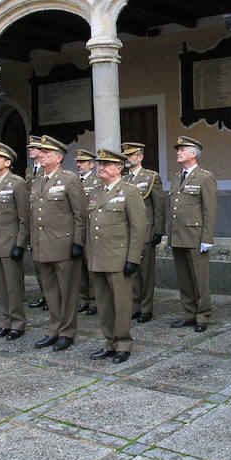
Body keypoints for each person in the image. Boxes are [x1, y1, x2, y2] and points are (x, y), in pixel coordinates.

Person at [86, 149, 144, 364]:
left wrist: (133, 258)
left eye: (107, 165)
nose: (102, 168)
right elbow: (89, 227)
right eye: (100, 164)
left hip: (119, 258)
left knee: (121, 303)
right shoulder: (96, 192)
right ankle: (109, 342)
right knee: (103, 303)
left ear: (119, 168)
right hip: (98, 257)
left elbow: (138, 228)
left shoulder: (129, 192)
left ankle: (123, 344)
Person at [30, 135, 88, 352]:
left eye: (46, 153)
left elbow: (80, 214)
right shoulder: (38, 181)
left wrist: (78, 242)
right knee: (50, 291)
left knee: (67, 292)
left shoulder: (69, 179)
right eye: (41, 152)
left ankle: (67, 332)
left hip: (63, 246)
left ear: (59, 157)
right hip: (42, 246)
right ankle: (53, 329)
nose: (41, 155)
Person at [168, 136, 217, 332]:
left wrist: (207, 238)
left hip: (196, 237)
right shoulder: (176, 176)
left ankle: (202, 315)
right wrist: (170, 237)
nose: (178, 152)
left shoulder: (205, 177)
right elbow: (173, 209)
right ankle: (188, 313)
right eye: (178, 149)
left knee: (199, 278)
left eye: (182, 149)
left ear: (193, 153)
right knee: (184, 278)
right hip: (178, 236)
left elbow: (210, 210)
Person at [0, 142, 29, 341]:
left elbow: (24, 217)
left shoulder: (17, 183)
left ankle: (17, 323)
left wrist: (20, 244)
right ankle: (6, 321)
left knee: (13, 286)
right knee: (0, 288)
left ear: (7, 162)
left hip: (10, 243)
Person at [122, 141, 165, 323]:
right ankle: (135, 306)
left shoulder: (151, 177)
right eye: (125, 155)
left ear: (140, 157)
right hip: (127, 233)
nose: (127, 158)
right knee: (132, 271)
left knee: (145, 272)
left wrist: (158, 231)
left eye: (130, 155)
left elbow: (159, 206)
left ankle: (146, 308)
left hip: (146, 231)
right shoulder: (124, 179)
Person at [75, 148, 101, 316]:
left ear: (91, 164)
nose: (79, 165)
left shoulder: (98, 181)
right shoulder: (73, 181)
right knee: (80, 268)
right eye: (78, 162)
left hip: (91, 229)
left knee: (92, 267)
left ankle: (95, 300)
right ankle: (82, 299)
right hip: (77, 229)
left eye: (83, 162)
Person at [26, 135, 47, 311]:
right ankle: (44, 295)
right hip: (33, 220)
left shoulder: (46, 171)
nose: (30, 149)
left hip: (46, 222)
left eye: (34, 147)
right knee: (37, 264)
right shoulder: (28, 170)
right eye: (30, 147)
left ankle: (51, 296)